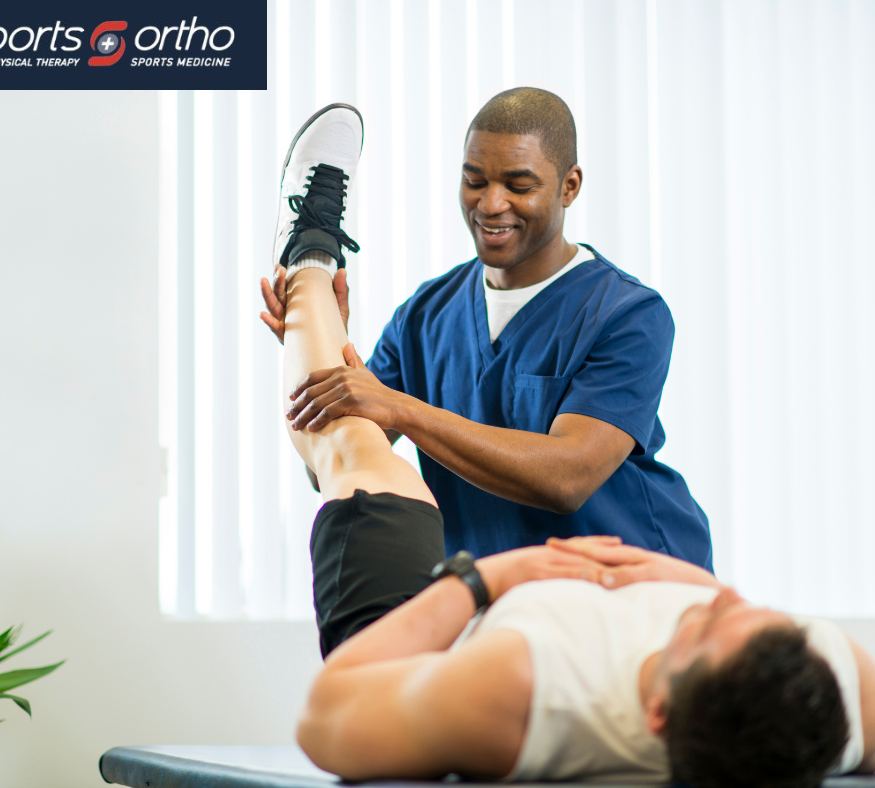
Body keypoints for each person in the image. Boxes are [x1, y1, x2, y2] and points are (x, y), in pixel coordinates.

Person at [272, 164, 875, 787]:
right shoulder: (815, 690)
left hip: (464, 612)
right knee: (350, 419)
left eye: (699, 621)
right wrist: (680, 585)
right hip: (620, 548)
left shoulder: (522, 691)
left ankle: (308, 261)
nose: (718, 600)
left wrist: (482, 581)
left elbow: (327, 718)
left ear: (657, 713)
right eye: (751, 612)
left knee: (351, 455)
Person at [262, 89, 712, 569]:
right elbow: (333, 463)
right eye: (474, 180)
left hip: (633, 586)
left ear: (569, 186)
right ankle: (312, 251)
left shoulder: (628, 314)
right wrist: (318, 336)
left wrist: (402, 409)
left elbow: (566, 479)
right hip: (495, 595)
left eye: (519, 186)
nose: (491, 204)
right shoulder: (424, 316)